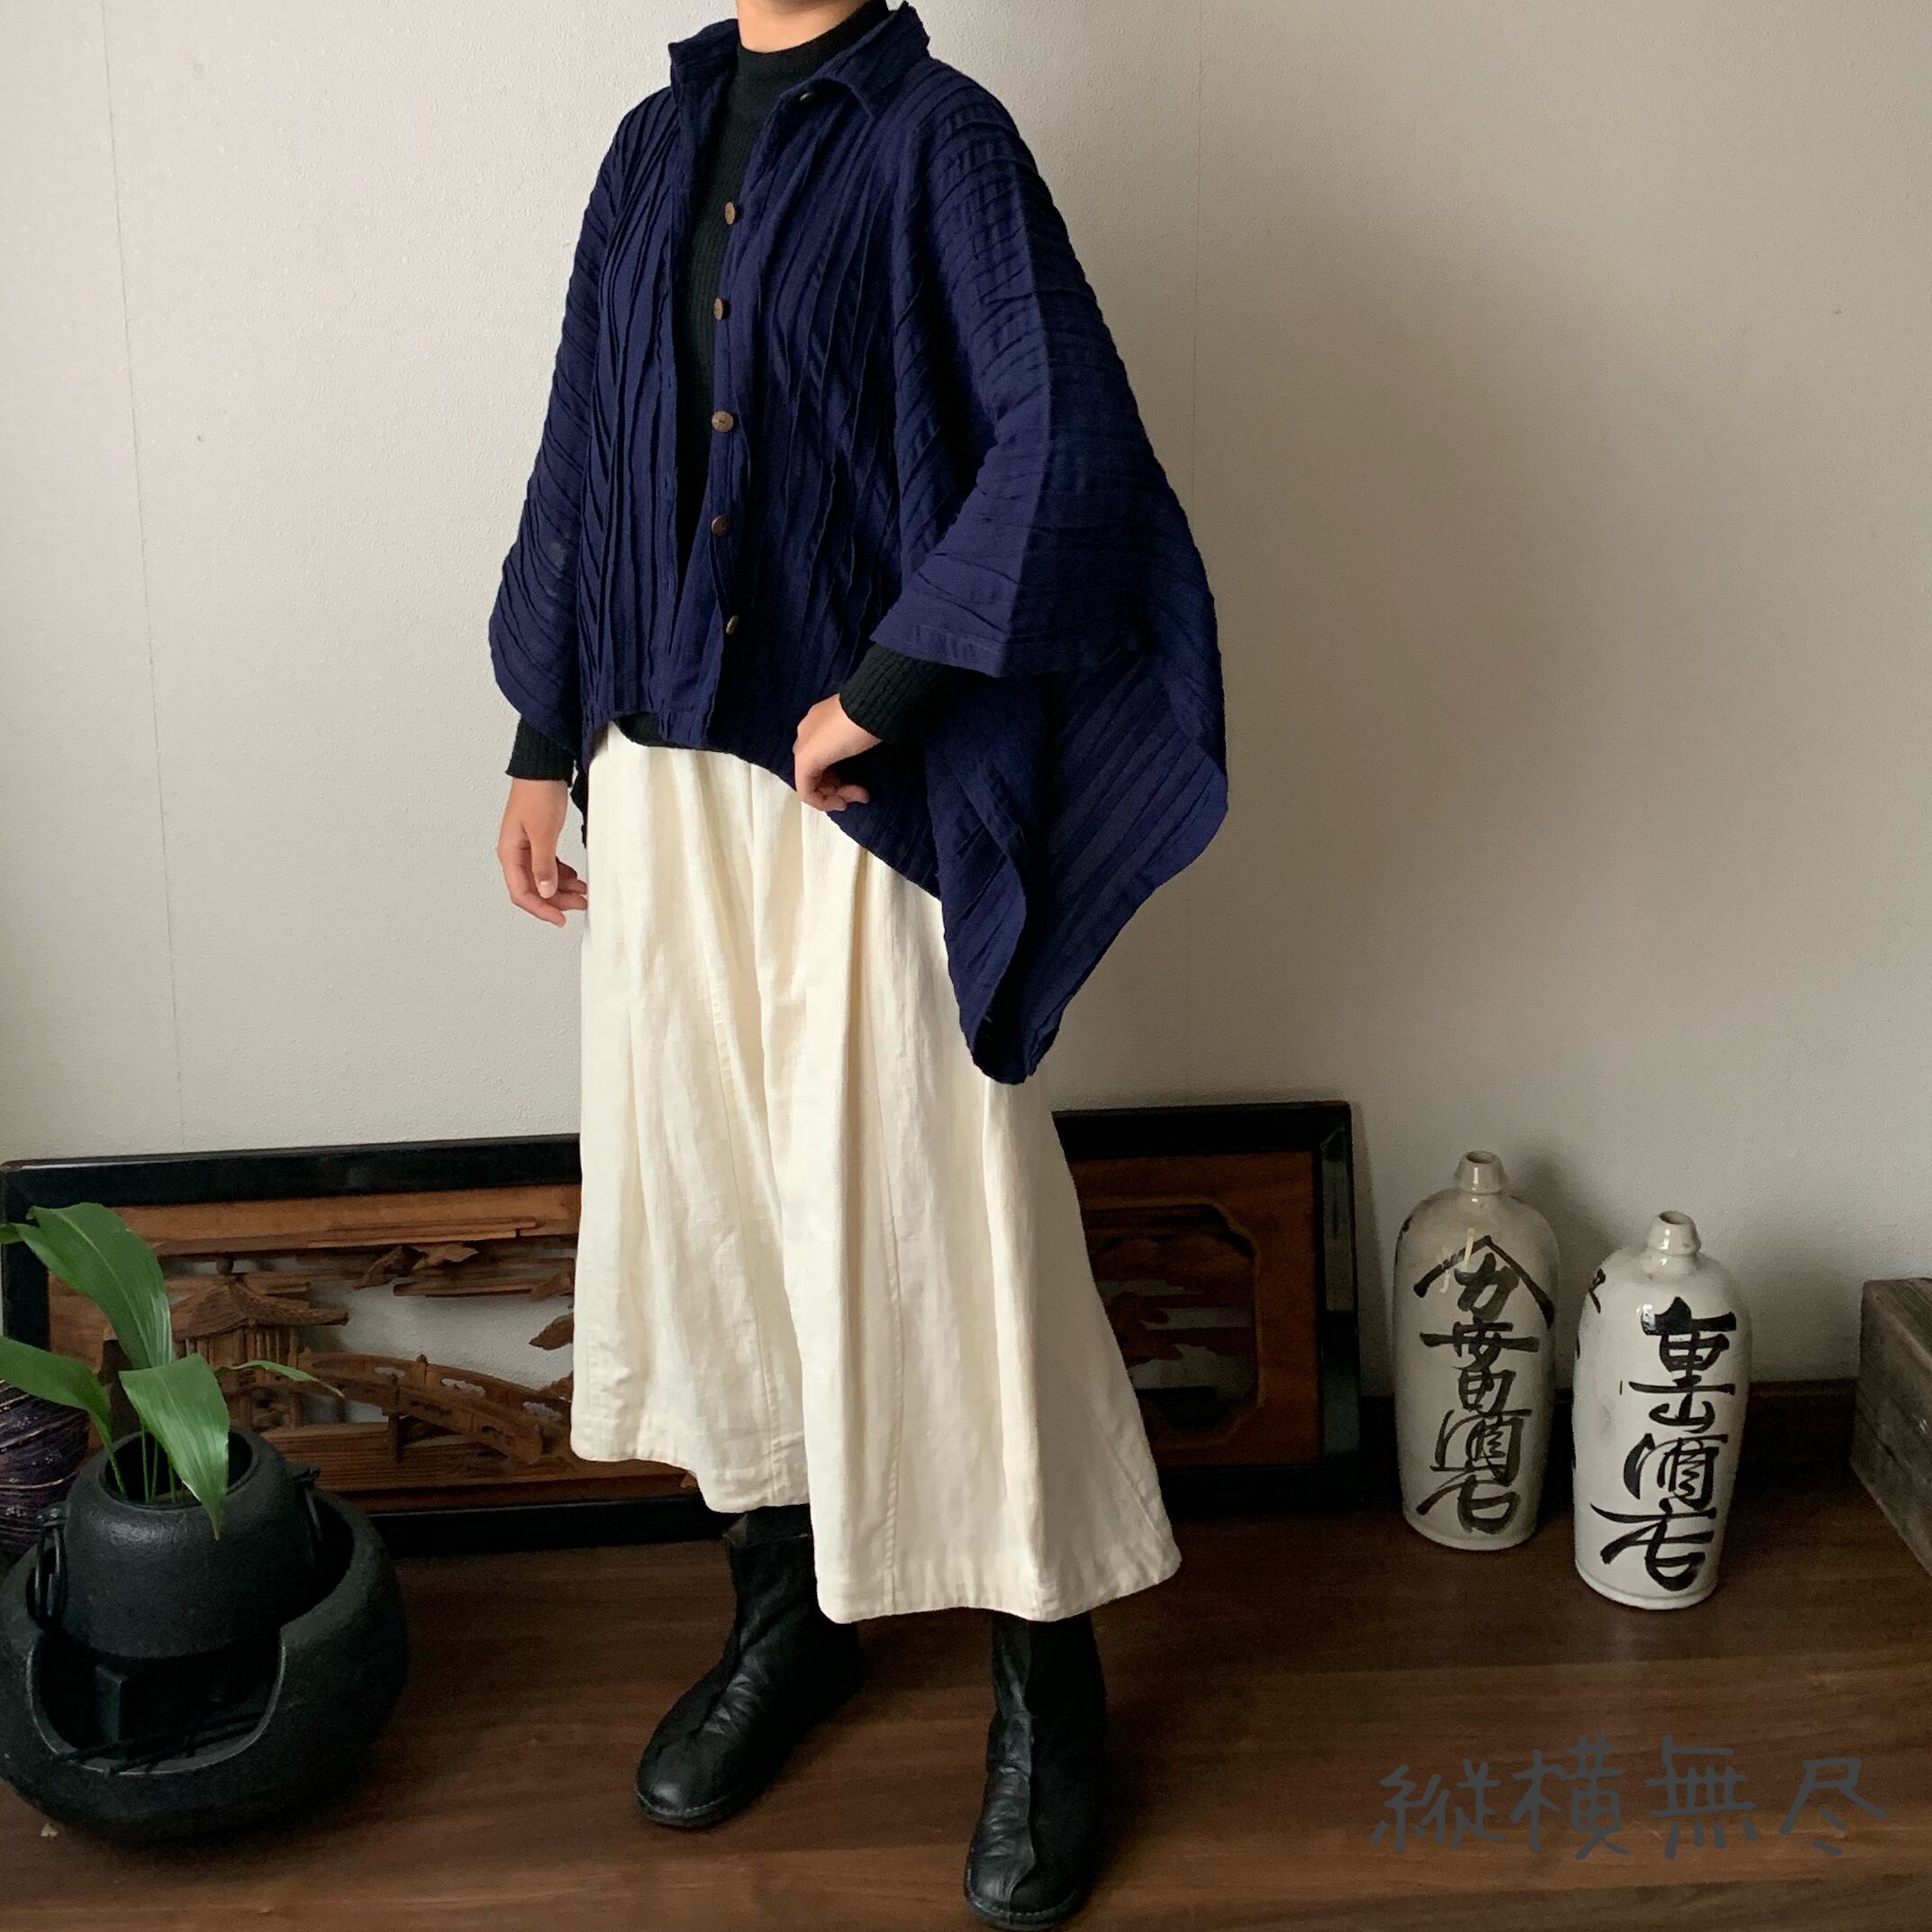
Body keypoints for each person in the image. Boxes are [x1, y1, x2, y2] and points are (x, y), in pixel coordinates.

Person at [488, 4, 1227, 1924]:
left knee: (938, 1217)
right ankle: (785, 1616)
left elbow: (1059, 438)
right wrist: (539, 737)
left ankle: (1044, 1684)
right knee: (714, 1207)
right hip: (658, 773)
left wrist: (883, 688)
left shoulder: (939, 139)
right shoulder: (650, 149)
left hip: (857, 796)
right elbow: (587, 443)